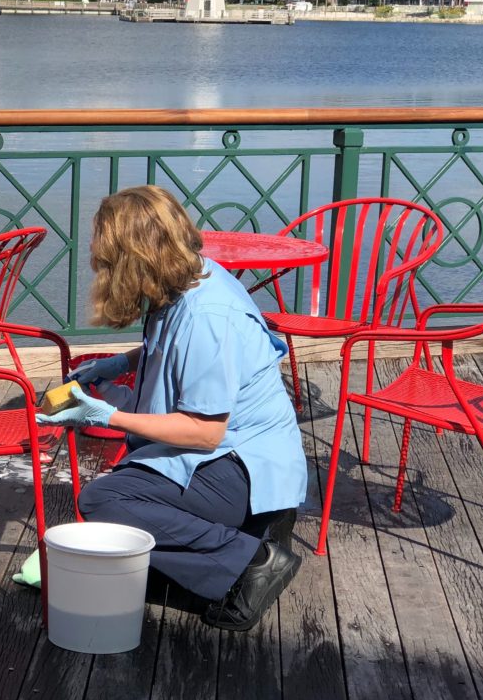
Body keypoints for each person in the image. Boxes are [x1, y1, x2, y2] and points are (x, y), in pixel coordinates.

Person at [37, 186, 306, 632]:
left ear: (133, 257)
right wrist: (121, 362)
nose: (95, 259)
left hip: (244, 468)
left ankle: (254, 561)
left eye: (105, 255)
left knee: (107, 499)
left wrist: (107, 417)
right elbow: (174, 348)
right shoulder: (193, 277)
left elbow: (205, 432)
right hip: (230, 459)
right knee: (124, 505)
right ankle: (235, 547)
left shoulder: (209, 319)